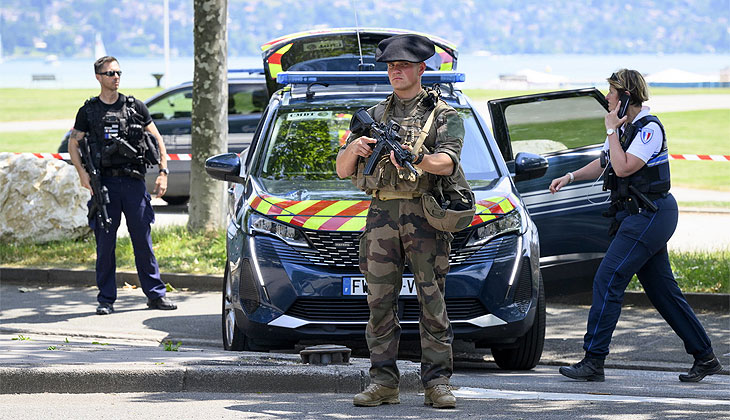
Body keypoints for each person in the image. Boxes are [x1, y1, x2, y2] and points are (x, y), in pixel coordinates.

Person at [549, 69, 722, 383]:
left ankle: (593, 361)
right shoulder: (625, 126)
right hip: (639, 215)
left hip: (652, 213)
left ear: (626, 95)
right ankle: (705, 357)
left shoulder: (647, 129)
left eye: (612, 93)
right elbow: (605, 162)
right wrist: (570, 176)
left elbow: (624, 167)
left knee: (609, 278)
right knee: (662, 291)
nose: (607, 98)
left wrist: (612, 131)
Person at [336, 34, 466, 409]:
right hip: (381, 216)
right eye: (391, 66)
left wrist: (418, 157)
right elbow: (343, 171)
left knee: (431, 299)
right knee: (379, 301)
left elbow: (449, 162)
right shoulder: (374, 116)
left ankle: (437, 383)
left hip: (424, 215)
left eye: (403, 66)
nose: (395, 71)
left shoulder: (443, 116)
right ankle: (383, 382)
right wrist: (353, 148)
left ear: (421, 69)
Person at [68, 56, 177, 315]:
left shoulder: (135, 107)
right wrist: (82, 174)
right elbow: (74, 143)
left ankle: (155, 294)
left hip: (133, 183)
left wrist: (163, 172)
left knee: (143, 240)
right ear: (98, 77)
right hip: (104, 184)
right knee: (105, 243)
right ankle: (106, 298)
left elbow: (156, 138)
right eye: (109, 73)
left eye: (118, 72)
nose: (115, 77)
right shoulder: (89, 111)